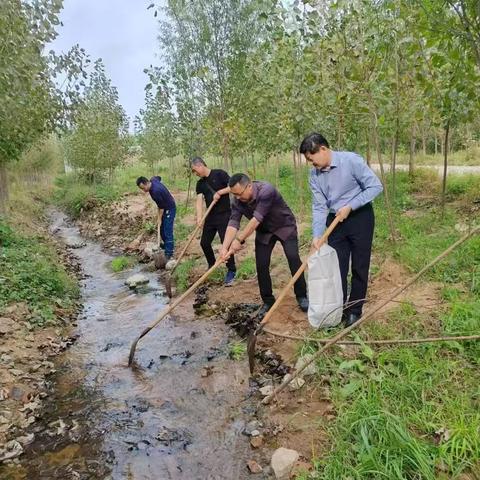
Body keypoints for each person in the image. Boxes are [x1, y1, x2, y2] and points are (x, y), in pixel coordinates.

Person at [300, 132, 383, 327]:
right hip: (335, 222)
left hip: (360, 217)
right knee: (338, 268)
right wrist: (317, 235)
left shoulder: (350, 161)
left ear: (323, 149)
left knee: (359, 266)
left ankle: (354, 310)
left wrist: (351, 205)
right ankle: (337, 310)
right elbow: (319, 206)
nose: (312, 165)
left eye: (312, 160)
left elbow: (375, 186)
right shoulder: (314, 175)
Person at [220, 173, 309, 316]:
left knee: (293, 258)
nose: (237, 198)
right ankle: (268, 300)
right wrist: (224, 247)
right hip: (264, 231)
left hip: (284, 226)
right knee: (261, 264)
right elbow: (233, 223)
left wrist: (239, 240)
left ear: (249, 186)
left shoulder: (266, 190)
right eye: (234, 195)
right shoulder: (237, 200)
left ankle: (302, 296)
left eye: (239, 194)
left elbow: (256, 219)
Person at [191, 157, 236, 286]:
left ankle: (231, 270)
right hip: (210, 217)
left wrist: (220, 192)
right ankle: (211, 264)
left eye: (195, 170)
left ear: (200, 165)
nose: (195, 174)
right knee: (204, 243)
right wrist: (200, 218)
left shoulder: (220, 174)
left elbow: (233, 187)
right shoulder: (200, 184)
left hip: (224, 215)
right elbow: (199, 201)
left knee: (225, 243)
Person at [136, 176, 176, 260]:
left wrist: (159, 219)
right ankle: (166, 245)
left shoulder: (155, 192)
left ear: (146, 183)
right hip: (164, 206)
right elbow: (159, 177)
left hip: (169, 208)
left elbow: (161, 208)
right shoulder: (153, 180)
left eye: (143, 188)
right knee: (161, 229)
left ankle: (169, 252)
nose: (143, 190)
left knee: (167, 230)